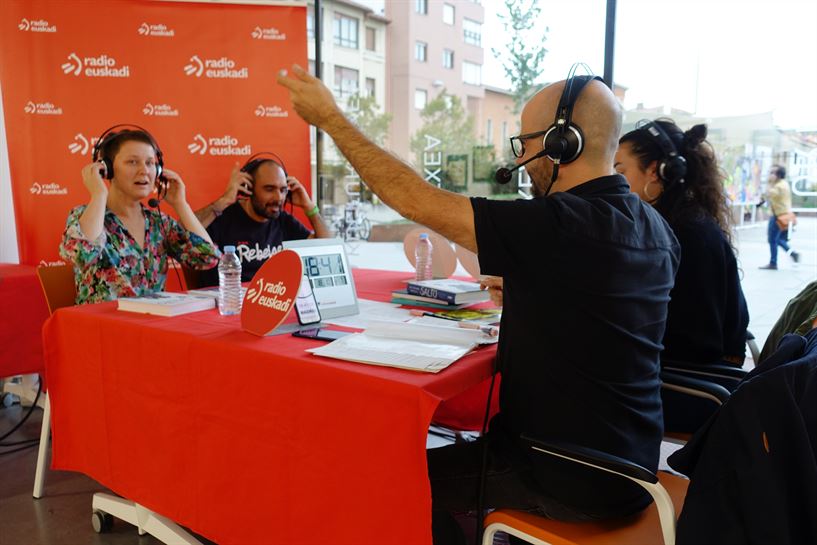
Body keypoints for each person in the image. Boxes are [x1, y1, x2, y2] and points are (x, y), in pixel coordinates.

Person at [278, 65, 680, 543]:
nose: (523, 158)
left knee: (383, 478)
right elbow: (604, 306)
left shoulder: (559, 224)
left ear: (562, 143)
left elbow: (413, 199)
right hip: (630, 467)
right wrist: (536, 290)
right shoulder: (656, 229)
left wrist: (331, 119)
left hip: (563, 470)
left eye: (526, 144)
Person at [615, 119, 750, 367]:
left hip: (687, 377)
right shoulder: (683, 219)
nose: (615, 182)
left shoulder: (686, 233)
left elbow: (694, 343)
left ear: (656, 171)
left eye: (620, 172)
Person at [60, 128, 219, 305]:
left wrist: (181, 204)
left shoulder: (159, 222)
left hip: (152, 320)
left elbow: (208, 258)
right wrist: (99, 194)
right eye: (132, 162)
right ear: (107, 170)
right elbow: (81, 256)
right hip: (102, 321)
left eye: (150, 163)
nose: (144, 171)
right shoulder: (83, 215)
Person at [194, 156, 330, 285]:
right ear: (248, 188)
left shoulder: (283, 220)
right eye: (269, 189)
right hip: (230, 298)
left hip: (271, 297)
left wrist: (310, 207)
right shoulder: (221, 217)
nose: (278, 197)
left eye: (283, 190)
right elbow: (183, 236)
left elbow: (328, 249)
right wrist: (223, 201)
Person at [759, 164, 799, 270]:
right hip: (784, 216)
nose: (770, 175)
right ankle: (793, 254)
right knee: (779, 240)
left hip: (778, 217)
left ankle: (773, 263)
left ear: (778, 175)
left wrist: (769, 183)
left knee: (772, 239)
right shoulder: (784, 184)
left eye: (772, 173)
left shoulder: (778, 186)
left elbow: (767, 194)